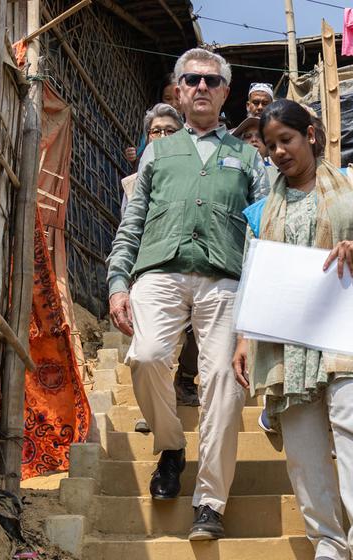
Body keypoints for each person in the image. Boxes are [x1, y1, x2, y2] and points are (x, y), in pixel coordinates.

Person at [106, 47, 268, 541]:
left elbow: (263, 230)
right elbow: (132, 223)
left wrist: (259, 301)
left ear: (225, 93)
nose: (201, 87)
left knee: (223, 378)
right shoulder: (157, 152)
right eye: (191, 80)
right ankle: (172, 446)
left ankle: (210, 500)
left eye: (211, 81)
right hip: (158, 272)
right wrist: (118, 281)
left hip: (225, 277)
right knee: (148, 355)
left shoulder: (247, 157)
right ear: (178, 91)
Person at [231, 98, 353, 560]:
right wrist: (245, 338)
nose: (278, 152)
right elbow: (255, 278)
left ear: (310, 134)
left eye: (285, 140)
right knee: (303, 447)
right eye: (270, 146)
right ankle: (327, 541)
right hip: (286, 342)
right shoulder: (261, 212)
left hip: (348, 330)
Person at [120, 104, 203, 432]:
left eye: (172, 131)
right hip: (151, 270)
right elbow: (128, 227)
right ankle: (156, 411)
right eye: (157, 132)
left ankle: (184, 380)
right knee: (151, 348)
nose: (164, 137)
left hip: (192, 267)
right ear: (146, 138)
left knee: (194, 334)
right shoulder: (133, 183)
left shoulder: (196, 172)